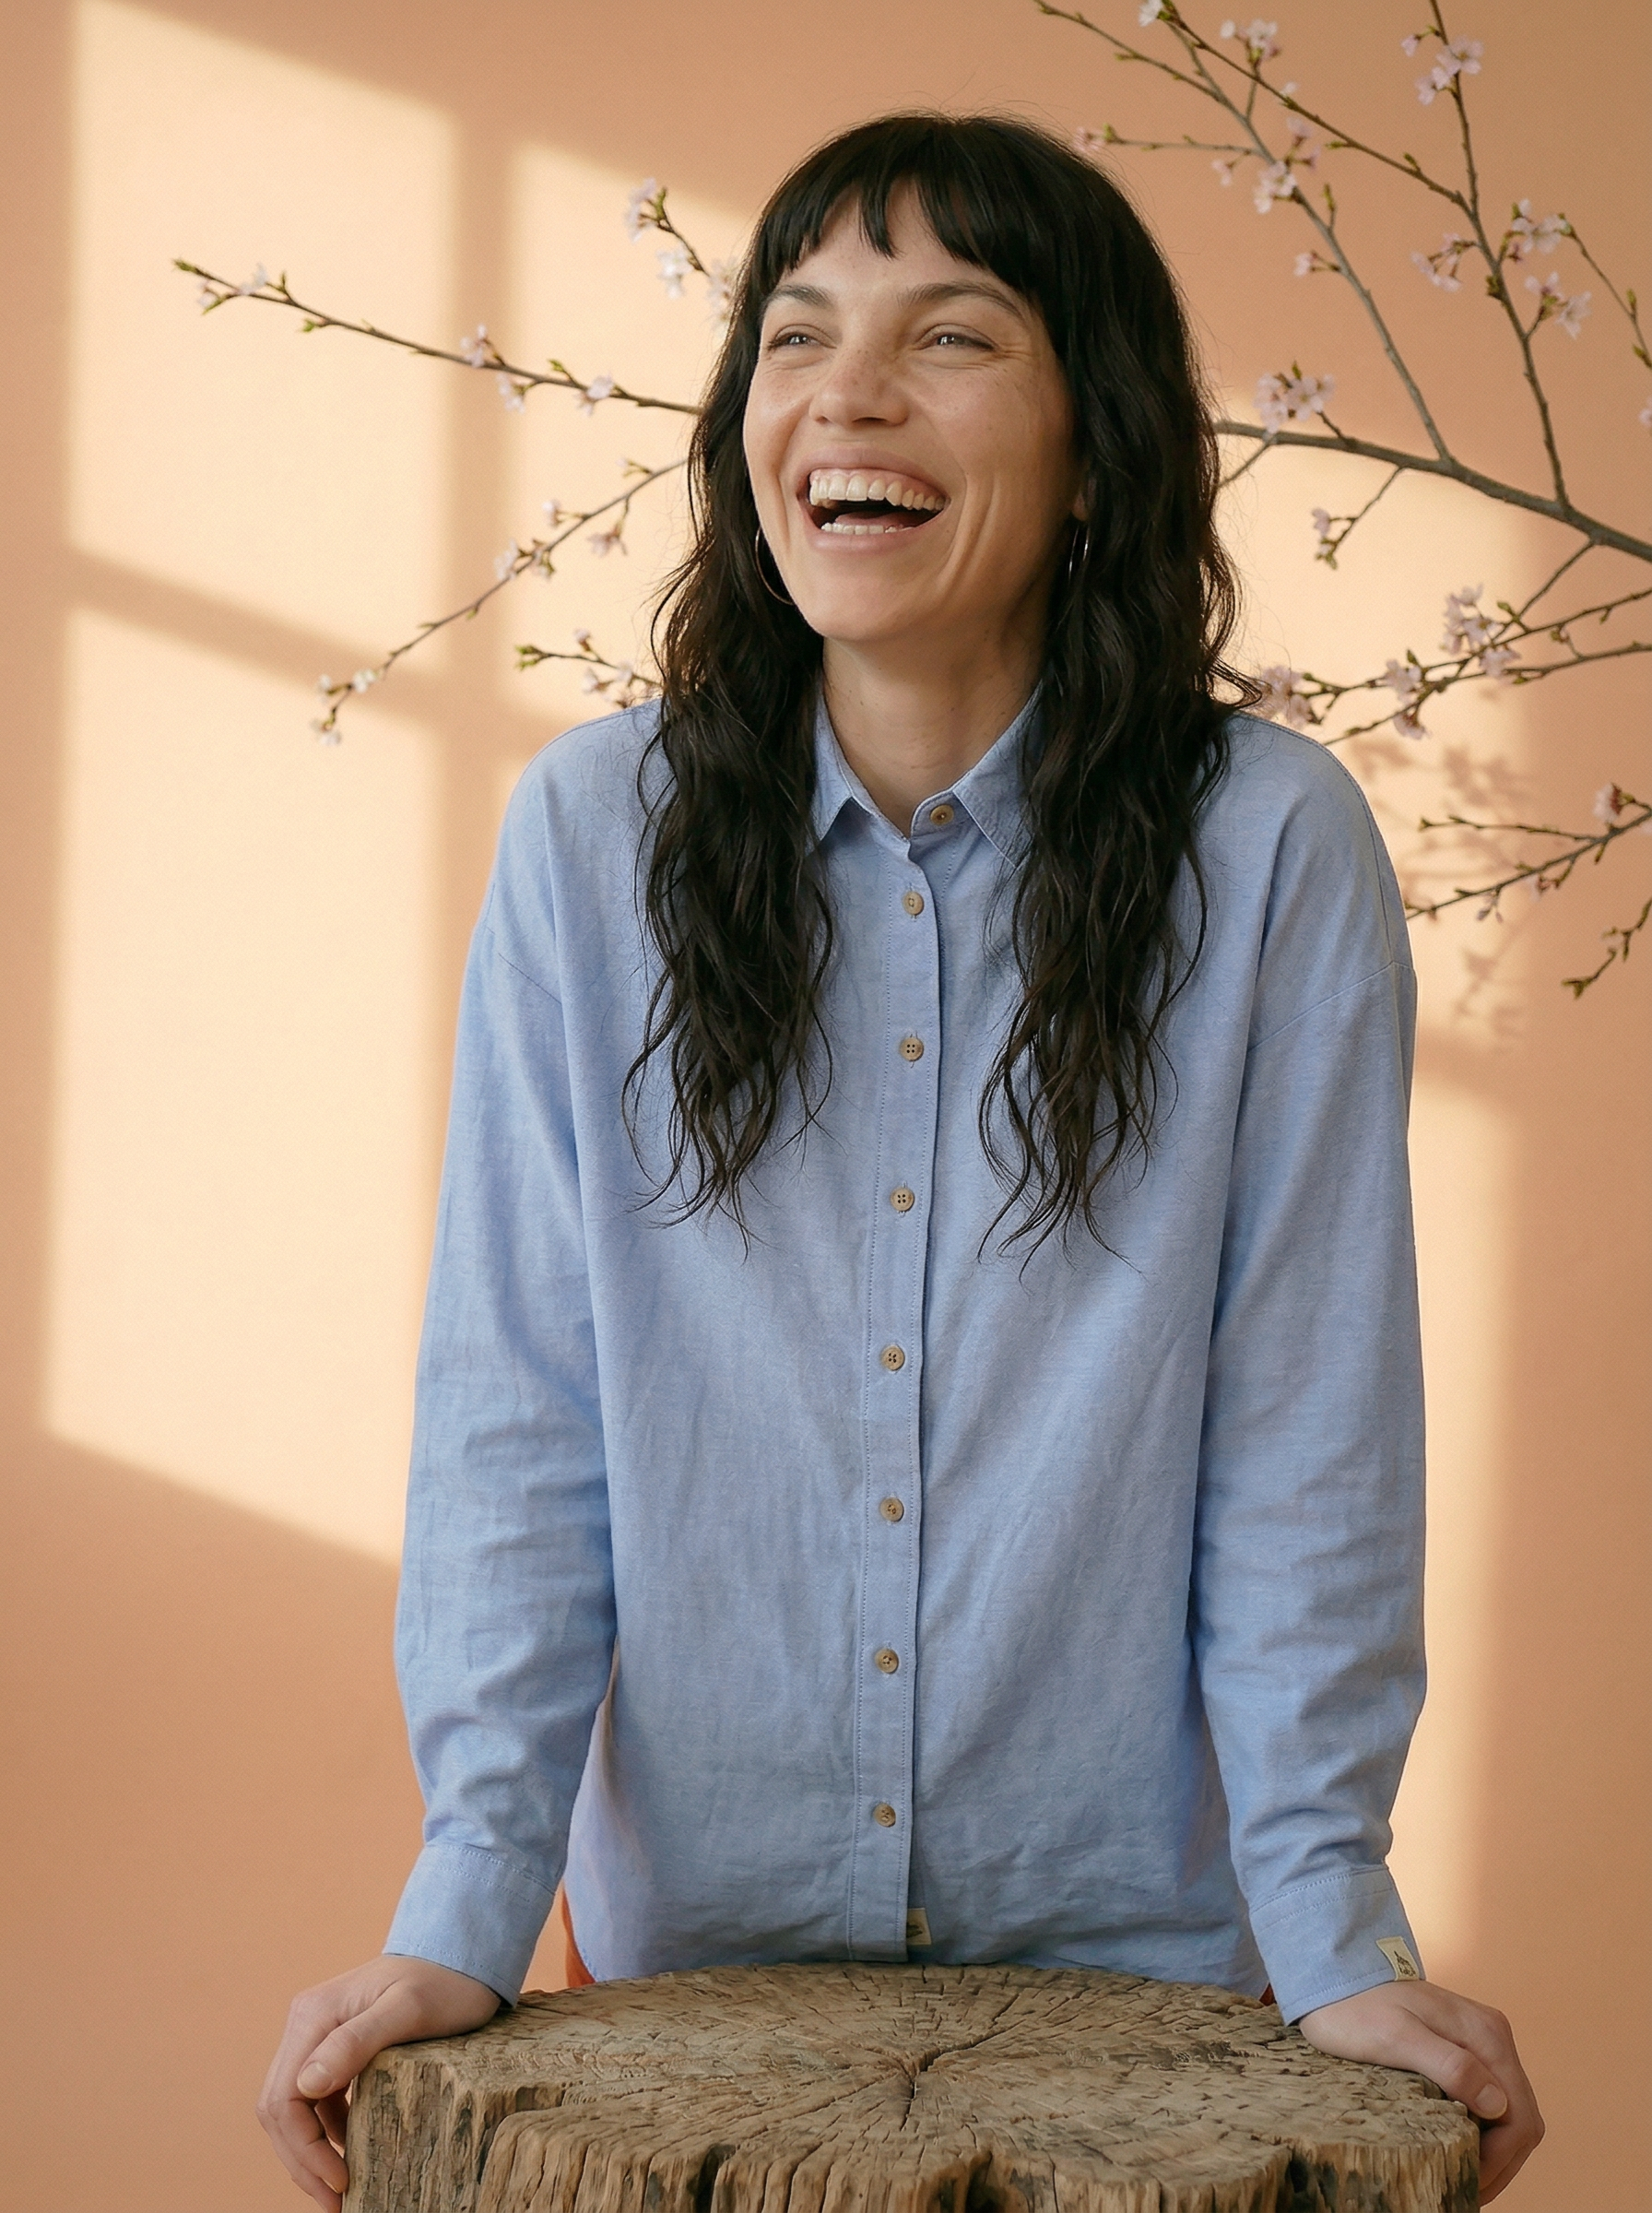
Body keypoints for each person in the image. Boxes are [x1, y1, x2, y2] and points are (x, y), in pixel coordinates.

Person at [258, 112, 1543, 2209]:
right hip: (690, 1969)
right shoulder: (596, 839)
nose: (846, 392)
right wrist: (457, 1913)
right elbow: (521, 1414)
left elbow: (1308, 1430)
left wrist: (1334, 1933)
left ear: (1096, 445)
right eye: (795, 336)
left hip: (1154, 1972)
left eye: (947, 335)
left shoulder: (1267, 849)